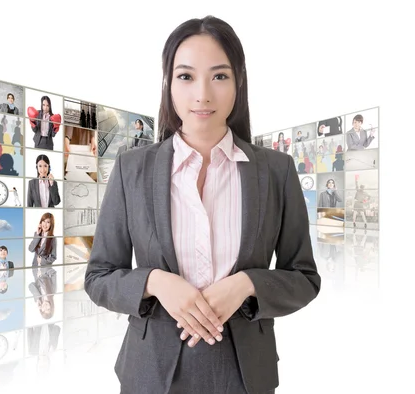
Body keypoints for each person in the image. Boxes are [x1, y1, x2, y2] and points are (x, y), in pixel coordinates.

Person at [84, 16, 321, 394]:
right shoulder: (133, 169)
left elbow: (305, 279)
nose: (203, 95)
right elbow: (98, 278)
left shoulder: (276, 171)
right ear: (168, 83)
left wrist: (246, 284)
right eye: (186, 76)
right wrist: (155, 282)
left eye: (220, 76)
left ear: (238, 82)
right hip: (151, 373)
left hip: (245, 374)